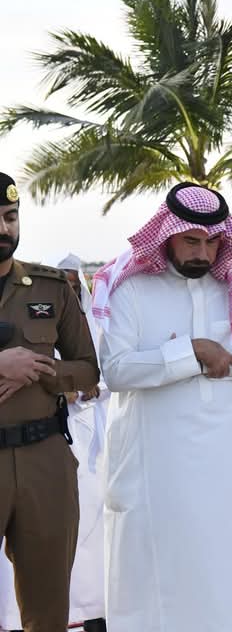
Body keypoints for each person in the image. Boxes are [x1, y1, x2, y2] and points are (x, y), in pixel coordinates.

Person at [93, 182, 232, 631]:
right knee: (164, 566)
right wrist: (194, 352)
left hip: (230, 458)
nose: (203, 253)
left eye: (212, 242)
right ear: (167, 236)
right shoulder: (132, 288)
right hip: (156, 461)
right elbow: (117, 370)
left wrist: (213, 358)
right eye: (191, 241)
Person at [0, 173, 99, 632]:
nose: (3, 228)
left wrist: (42, 370)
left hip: (44, 458)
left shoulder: (50, 286)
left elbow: (88, 369)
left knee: (47, 604)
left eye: (10, 216)